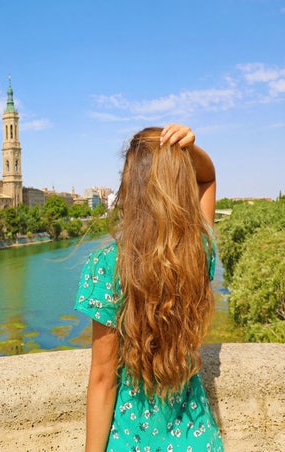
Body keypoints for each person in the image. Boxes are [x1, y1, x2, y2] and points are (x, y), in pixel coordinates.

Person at [74, 124, 224, 451]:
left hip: (132, 442)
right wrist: (189, 151)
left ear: (130, 187)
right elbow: (208, 179)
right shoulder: (197, 254)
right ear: (180, 186)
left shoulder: (107, 267)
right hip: (195, 439)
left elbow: (103, 379)